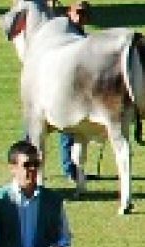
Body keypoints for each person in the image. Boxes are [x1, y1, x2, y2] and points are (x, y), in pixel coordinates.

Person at [58, 1, 91, 182]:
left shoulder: (83, 35)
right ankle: (70, 169)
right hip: (63, 88)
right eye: (77, 13)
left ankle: (73, 168)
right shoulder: (65, 33)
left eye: (83, 14)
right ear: (69, 13)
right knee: (67, 130)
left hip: (77, 88)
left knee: (72, 130)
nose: (80, 17)